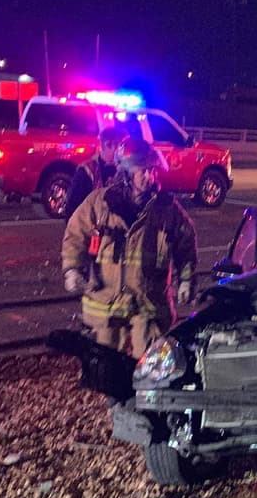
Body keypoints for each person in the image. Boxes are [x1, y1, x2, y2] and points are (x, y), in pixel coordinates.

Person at [61, 136, 197, 357]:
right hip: (105, 304)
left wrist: (186, 280)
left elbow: (186, 245)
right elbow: (75, 235)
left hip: (148, 305)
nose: (149, 176)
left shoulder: (167, 210)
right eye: (142, 170)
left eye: (152, 170)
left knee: (152, 369)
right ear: (126, 173)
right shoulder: (99, 203)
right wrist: (72, 269)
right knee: (106, 367)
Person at [65, 126, 125, 218]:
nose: (123, 152)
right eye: (121, 147)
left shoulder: (124, 169)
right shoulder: (87, 171)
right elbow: (73, 207)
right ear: (108, 144)